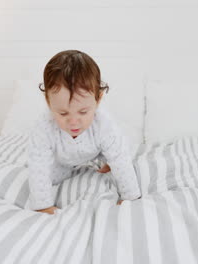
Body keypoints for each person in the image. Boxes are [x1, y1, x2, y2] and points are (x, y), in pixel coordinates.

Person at [27, 50, 142, 215]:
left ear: (98, 99)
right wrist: (42, 205)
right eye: (63, 113)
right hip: (61, 159)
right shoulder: (44, 128)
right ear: (48, 102)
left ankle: (107, 161)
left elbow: (120, 158)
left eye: (83, 112)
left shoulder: (104, 124)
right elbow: (38, 166)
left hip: (96, 150)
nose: (73, 122)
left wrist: (130, 196)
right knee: (48, 176)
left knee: (120, 154)